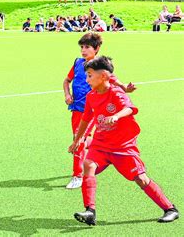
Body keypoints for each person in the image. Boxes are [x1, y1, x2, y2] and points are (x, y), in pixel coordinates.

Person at [69, 56, 179, 225]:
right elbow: (85, 119)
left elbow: (129, 108)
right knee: (88, 165)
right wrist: (77, 140)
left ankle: (170, 209)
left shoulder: (116, 92)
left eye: (90, 75)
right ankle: (90, 211)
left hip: (122, 146)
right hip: (101, 144)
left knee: (141, 179)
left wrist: (116, 116)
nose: (87, 79)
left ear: (104, 76)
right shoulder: (91, 96)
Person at [63, 33, 135, 189]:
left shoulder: (98, 65)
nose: (83, 50)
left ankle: (77, 175)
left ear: (96, 48)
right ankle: (92, 144)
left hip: (92, 109)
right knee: (80, 138)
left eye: (87, 47)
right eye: (81, 47)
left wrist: (125, 88)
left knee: (78, 139)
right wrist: (67, 94)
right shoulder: (77, 63)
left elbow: (113, 79)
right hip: (77, 108)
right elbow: (67, 80)